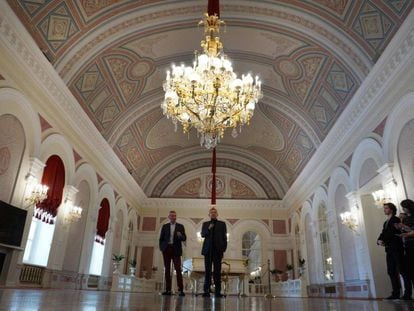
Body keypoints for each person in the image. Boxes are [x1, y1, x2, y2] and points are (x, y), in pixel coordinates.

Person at [377, 202, 405, 300]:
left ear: (391, 209)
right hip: (389, 249)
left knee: (402, 270)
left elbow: (391, 233)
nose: (384, 210)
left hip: (396, 248)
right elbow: (383, 233)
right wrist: (379, 240)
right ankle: (395, 293)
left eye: (386, 208)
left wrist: (383, 240)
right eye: (384, 208)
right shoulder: (385, 222)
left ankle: (407, 293)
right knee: (391, 271)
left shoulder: (396, 219)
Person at [201, 207, 227, 298]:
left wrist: (223, 249)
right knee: (207, 271)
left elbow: (224, 238)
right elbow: (203, 234)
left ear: (217, 214)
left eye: (215, 212)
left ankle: (217, 292)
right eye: (211, 212)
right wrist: (208, 228)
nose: (213, 213)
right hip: (208, 250)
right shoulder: (205, 224)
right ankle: (206, 291)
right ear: (209, 214)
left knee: (217, 272)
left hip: (218, 251)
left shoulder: (222, 224)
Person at [159, 210, 187, 296]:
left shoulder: (180, 226)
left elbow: (184, 238)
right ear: (169, 217)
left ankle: (180, 290)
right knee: (167, 270)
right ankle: (168, 290)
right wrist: (162, 248)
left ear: (176, 217)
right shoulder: (165, 226)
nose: (173, 217)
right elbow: (161, 238)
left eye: (174, 216)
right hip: (166, 249)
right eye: (171, 216)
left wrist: (180, 236)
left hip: (176, 250)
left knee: (178, 269)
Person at [396, 199, 414, 300]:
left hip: (413, 244)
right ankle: (408, 294)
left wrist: (406, 233)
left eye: (404, 207)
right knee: (409, 270)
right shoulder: (406, 218)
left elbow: (411, 231)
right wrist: (401, 225)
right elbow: (407, 229)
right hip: (408, 246)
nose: (403, 209)